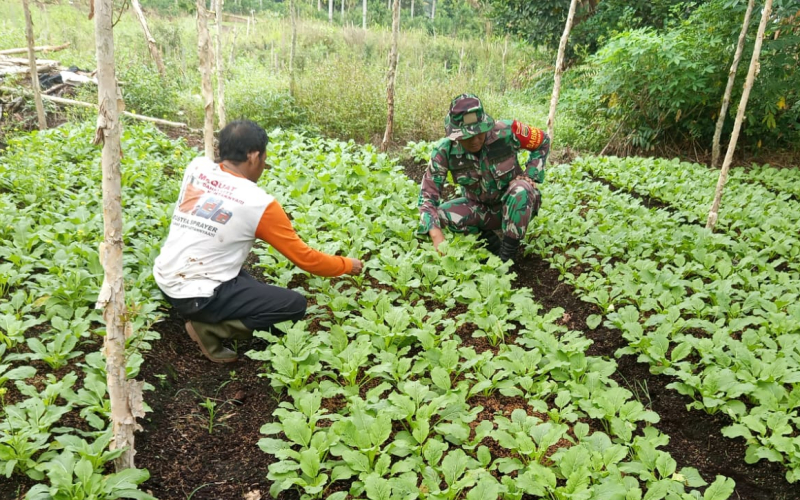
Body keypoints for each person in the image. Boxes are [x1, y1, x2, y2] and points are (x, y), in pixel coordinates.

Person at [153, 120, 363, 363]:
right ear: (253, 156)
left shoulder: (197, 167)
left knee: (245, 280)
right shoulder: (258, 203)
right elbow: (307, 260)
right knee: (292, 305)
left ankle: (206, 316)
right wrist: (347, 265)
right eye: (264, 158)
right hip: (196, 296)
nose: (264, 164)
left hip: (165, 277)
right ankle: (210, 329)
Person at [417, 93, 550, 262]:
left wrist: (530, 174)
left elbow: (543, 141)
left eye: (479, 132)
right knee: (442, 215)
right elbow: (427, 197)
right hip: (480, 210)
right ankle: (492, 244)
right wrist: (437, 237)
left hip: (515, 206)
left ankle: (507, 258)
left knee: (521, 189)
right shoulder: (445, 151)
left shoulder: (507, 131)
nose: (475, 140)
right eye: (467, 136)